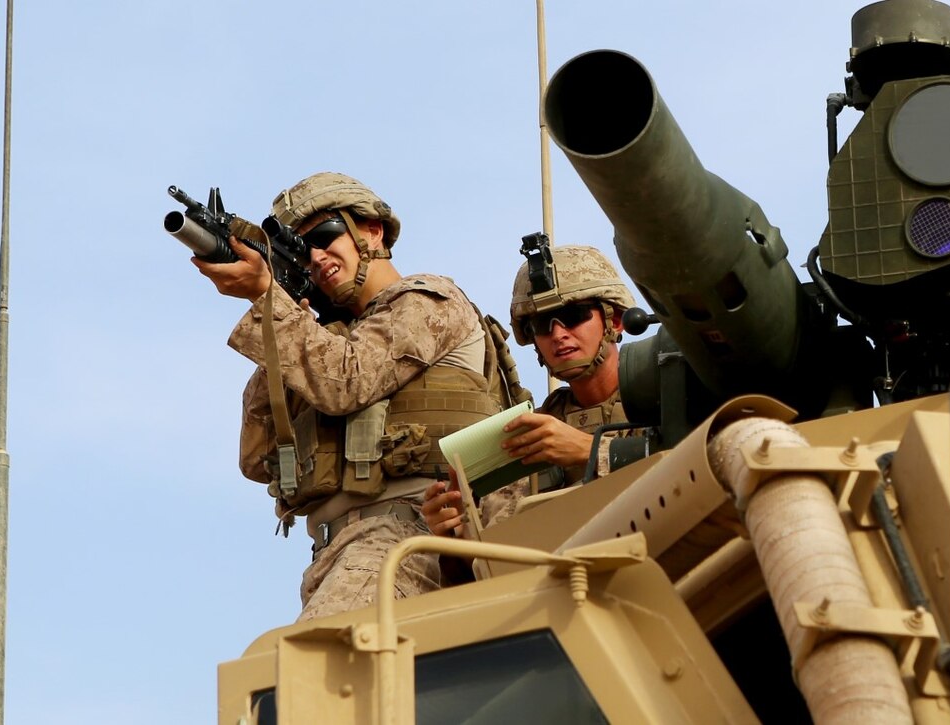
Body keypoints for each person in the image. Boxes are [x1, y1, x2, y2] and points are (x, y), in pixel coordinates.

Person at [192, 171, 511, 620]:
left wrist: (269, 299)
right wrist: (281, 310)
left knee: (309, 671)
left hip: (405, 534)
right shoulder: (325, 337)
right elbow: (258, 457)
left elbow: (349, 382)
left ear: (371, 230)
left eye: (325, 236)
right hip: (335, 553)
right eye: (303, 253)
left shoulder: (428, 300)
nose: (318, 258)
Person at [422, 244, 638, 539]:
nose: (559, 334)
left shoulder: (668, 396)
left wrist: (588, 452)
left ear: (614, 320)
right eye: (542, 324)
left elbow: (707, 461)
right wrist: (453, 533)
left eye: (574, 315)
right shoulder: (525, 439)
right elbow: (493, 563)